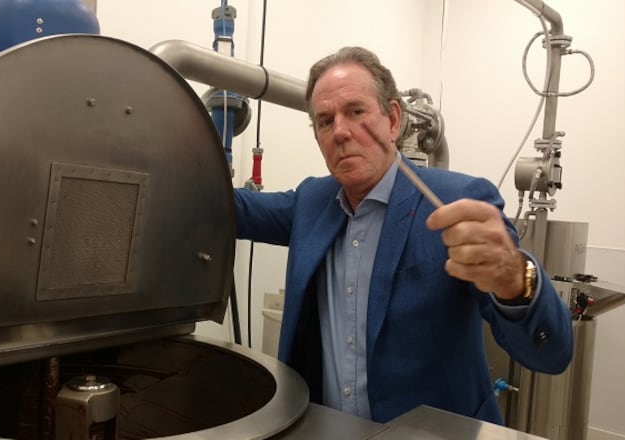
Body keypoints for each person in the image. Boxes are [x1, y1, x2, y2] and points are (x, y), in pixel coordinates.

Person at [233, 46, 573, 425]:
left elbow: (551, 354)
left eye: (356, 111)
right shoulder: (312, 201)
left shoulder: (457, 201)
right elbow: (232, 208)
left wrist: (516, 280)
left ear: (393, 120)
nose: (341, 131)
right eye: (325, 121)